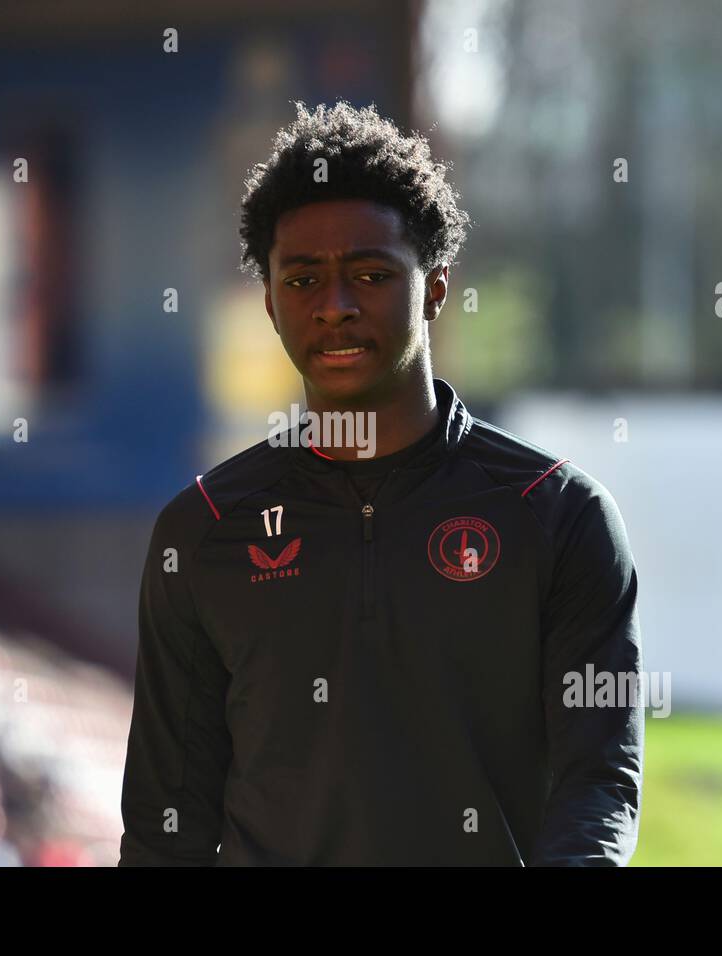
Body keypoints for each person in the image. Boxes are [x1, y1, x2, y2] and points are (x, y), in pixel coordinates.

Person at [119, 100, 643, 866]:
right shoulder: (201, 532)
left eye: (370, 274)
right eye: (302, 280)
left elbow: (598, 779)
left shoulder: (558, 514)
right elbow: (167, 821)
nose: (334, 307)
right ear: (269, 303)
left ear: (433, 289)